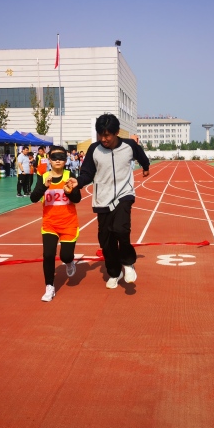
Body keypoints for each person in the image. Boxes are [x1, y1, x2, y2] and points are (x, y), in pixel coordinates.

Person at [68, 113, 150, 288]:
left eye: (107, 135)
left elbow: (141, 155)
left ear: (116, 132)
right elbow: (87, 173)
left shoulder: (129, 146)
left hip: (123, 193)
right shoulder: (94, 149)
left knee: (121, 229)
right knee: (106, 240)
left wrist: (146, 167)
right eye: (101, 135)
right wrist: (78, 182)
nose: (103, 139)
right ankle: (114, 272)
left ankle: (128, 263)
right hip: (102, 199)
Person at [30, 146, 82, 302]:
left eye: (61, 157)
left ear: (65, 160)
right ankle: (49, 287)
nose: (58, 160)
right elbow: (33, 198)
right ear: (49, 159)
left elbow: (77, 199)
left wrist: (69, 192)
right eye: (54, 157)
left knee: (65, 255)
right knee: (48, 254)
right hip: (50, 224)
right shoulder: (44, 176)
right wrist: (44, 186)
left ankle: (69, 262)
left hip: (68, 223)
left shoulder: (69, 175)